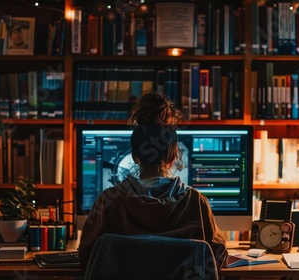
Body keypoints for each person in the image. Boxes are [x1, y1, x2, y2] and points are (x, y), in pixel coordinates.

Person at [78, 92, 228, 272]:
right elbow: (217, 257)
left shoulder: (108, 202)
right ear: (173, 158)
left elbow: (87, 260)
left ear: (135, 157)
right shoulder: (196, 202)